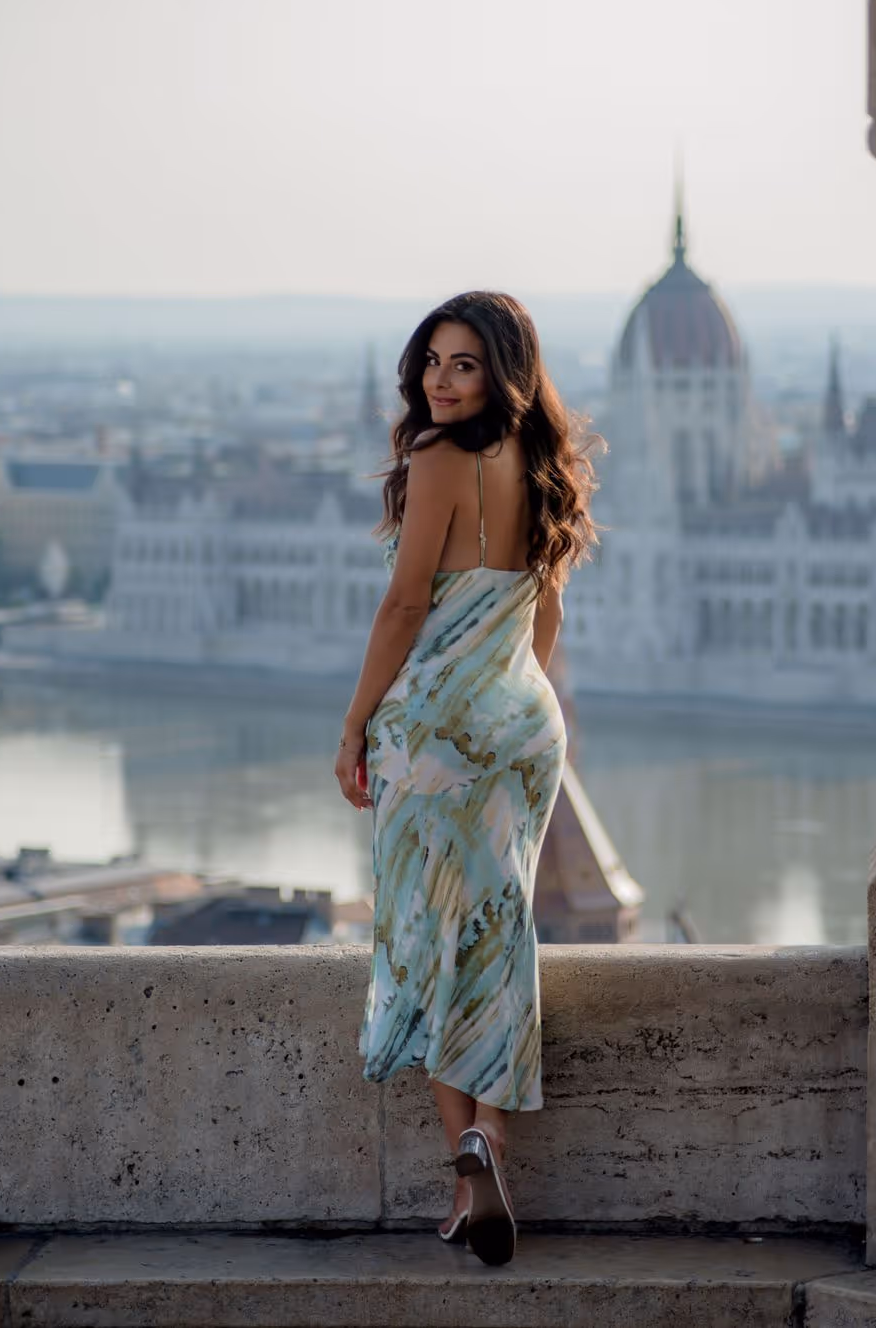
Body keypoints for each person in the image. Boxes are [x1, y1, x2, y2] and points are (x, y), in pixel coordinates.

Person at [334, 289, 601, 1266]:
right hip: (524, 723)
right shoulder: (543, 467)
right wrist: (510, 696)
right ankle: (489, 1144)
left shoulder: (436, 460)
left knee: (424, 936)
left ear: (501, 372)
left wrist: (357, 719)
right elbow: (546, 621)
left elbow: (405, 603)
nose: (439, 382)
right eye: (431, 363)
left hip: (436, 727)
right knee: (499, 929)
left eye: (462, 365)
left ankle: (463, 1163)